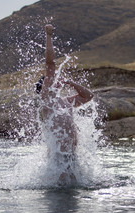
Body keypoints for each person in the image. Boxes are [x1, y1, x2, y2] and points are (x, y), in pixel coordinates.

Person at [36, 24, 93, 185]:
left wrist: (70, 82)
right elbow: (50, 65)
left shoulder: (65, 102)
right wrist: (48, 36)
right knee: (60, 192)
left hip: (72, 156)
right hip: (57, 157)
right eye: (50, 81)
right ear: (44, 89)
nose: (54, 81)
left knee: (74, 193)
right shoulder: (46, 102)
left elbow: (88, 96)